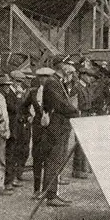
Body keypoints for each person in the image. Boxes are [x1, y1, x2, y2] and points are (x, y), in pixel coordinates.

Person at [42, 59, 80, 206]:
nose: (72, 69)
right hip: (56, 125)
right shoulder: (52, 82)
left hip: (61, 125)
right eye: (70, 66)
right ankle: (50, 195)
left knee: (58, 159)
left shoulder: (60, 81)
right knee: (54, 159)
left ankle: (53, 193)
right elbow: (60, 104)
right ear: (63, 66)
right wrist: (75, 112)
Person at [23, 67, 55, 199]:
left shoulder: (55, 92)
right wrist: (29, 117)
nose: (43, 80)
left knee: (50, 159)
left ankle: (47, 190)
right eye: (41, 77)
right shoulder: (33, 92)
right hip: (37, 129)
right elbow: (23, 107)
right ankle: (36, 190)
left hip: (51, 129)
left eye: (46, 77)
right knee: (37, 159)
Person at [72, 65, 99, 179]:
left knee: (86, 142)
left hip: (87, 115)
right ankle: (76, 169)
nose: (90, 78)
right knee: (79, 143)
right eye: (88, 75)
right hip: (80, 115)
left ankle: (83, 167)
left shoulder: (87, 87)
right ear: (82, 75)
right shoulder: (76, 88)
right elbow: (74, 104)